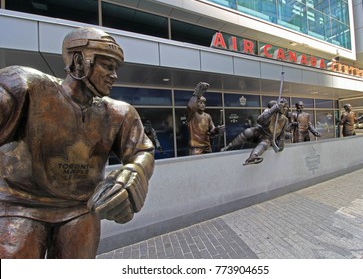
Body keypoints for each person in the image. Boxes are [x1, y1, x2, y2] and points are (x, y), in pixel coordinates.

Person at [0, 27, 155, 258]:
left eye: (116, 68)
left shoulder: (119, 113)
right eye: (107, 66)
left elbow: (142, 151)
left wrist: (133, 174)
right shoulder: (25, 87)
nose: (114, 75)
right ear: (79, 61)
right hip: (20, 204)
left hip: (81, 207)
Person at [221, 98, 289, 165]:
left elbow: (282, 134)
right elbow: (260, 121)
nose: (284, 108)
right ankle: (228, 147)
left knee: (265, 143)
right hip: (259, 131)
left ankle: (253, 157)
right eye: (282, 105)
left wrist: (281, 144)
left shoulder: (285, 120)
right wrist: (272, 110)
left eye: (286, 106)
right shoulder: (269, 111)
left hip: (268, 137)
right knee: (248, 132)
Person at [186, 82, 224, 155]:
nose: (203, 105)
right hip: (196, 148)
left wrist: (217, 130)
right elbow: (190, 106)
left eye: (204, 103)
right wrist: (197, 93)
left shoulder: (207, 116)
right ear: (196, 104)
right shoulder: (192, 115)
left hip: (207, 147)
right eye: (200, 102)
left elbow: (212, 131)